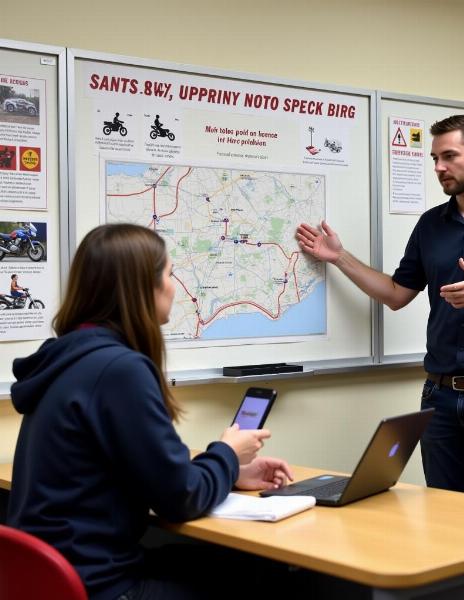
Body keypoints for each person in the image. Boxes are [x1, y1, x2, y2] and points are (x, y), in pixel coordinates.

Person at [7, 223, 293, 600]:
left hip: (54, 579)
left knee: (228, 563)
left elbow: (147, 473)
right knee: (269, 573)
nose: (175, 286)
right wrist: (227, 451)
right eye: (170, 274)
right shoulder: (118, 370)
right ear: (143, 287)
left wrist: (231, 472)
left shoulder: (71, 359)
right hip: (103, 586)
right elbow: (179, 500)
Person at [296, 115, 464, 498]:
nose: (439, 168)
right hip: (440, 397)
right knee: (445, 513)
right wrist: (339, 258)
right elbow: (395, 294)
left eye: (449, 156)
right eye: (435, 159)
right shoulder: (430, 225)